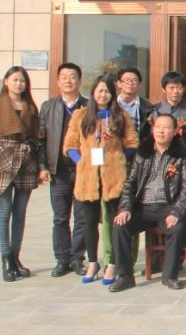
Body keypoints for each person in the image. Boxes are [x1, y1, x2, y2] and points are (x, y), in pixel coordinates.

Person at [63, 74, 139, 285]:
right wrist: (80, 161)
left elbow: (132, 142)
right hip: (88, 175)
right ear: (93, 93)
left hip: (113, 176)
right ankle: (92, 261)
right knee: (88, 222)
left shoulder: (119, 116)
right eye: (100, 91)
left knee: (113, 221)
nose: (103, 95)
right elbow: (70, 144)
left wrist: (120, 158)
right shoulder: (80, 115)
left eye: (107, 91)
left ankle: (112, 262)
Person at [108, 113, 186, 292]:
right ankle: (125, 276)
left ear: (175, 131)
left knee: (177, 227)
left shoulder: (183, 155)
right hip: (143, 207)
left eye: (166, 127)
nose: (161, 131)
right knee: (119, 225)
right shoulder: (143, 153)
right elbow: (130, 184)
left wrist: (176, 212)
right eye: (158, 127)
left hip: (168, 207)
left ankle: (169, 275)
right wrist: (125, 208)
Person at [0, 66, 47, 282]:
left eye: (23, 81)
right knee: (4, 212)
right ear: (6, 82)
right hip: (3, 161)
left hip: (27, 162)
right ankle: (6, 259)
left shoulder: (31, 106)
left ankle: (16, 257)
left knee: (20, 212)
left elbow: (38, 139)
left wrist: (41, 167)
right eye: (15, 80)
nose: (19, 84)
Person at [39, 62, 88, 277]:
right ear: (58, 81)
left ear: (80, 81)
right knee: (60, 218)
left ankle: (77, 258)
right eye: (64, 77)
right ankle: (62, 259)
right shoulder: (48, 107)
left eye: (73, 76)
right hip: (58, 172)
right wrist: (43, 166)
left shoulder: (88, 106)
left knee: (82, 217)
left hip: (83, 172)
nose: (69, 80)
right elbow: (41, 140)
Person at [151, 70, 186, 158]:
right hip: (158, 156)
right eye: (171, 88)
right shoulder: (155, 110)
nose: (176, 91)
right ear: (163, 89)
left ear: (184, 89)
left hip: (183, 156)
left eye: (179, 88)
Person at [115, 67, 153, 140]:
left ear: (139, 84)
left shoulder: (148, 107)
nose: (130, 83)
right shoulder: (111, 105)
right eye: (127, 80)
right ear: (119, 83)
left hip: (138, 145)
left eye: (134, 80)